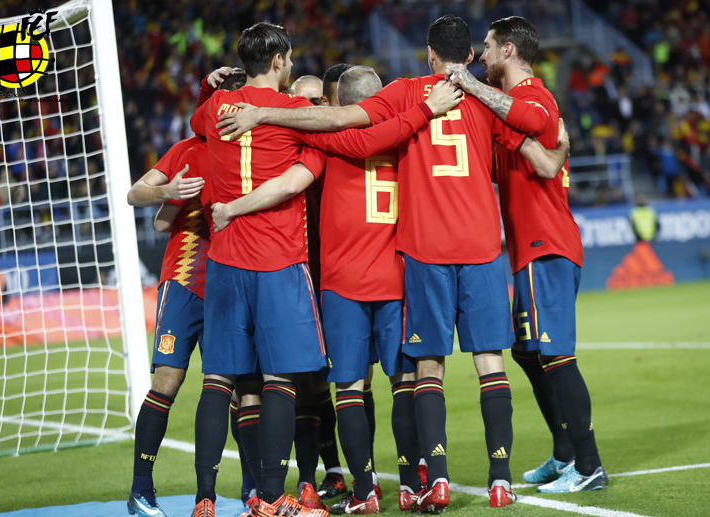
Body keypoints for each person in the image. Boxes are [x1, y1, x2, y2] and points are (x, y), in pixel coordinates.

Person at [216, 14, 567, 512]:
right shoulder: (485, 101)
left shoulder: (398, 101)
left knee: (409, 374)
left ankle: (407, 484)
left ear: (428, 54)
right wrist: (560, 140)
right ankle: (494, 479)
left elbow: (337, 122)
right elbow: (545, 150)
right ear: (469, 57)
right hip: (470, 254)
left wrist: (261, 113)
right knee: (488, 366)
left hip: (403, 262)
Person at [212, 66, 463, 515]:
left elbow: (320, 138)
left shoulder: (326, 142)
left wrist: (263, 116)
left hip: (342, 283)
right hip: (395, 278)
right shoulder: (405, 140)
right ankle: (412, 483)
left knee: (347, 389)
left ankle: (364, 492)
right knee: (402, 383)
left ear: (339, 103)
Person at [448, 16, 608, 493]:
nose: (482, 56)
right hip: (527, 250)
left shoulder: (532, 96)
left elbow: (536, 125)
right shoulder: (510, 111)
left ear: (510, 51)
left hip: (547, 244)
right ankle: (565, 453)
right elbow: (528, 161)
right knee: (526, 350)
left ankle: (589, 464)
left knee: (556, 355)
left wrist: (472, 89)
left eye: (489, 48)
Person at [189, 22, 330, 517]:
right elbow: (296, 180)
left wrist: (211, 86)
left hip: (224, 263)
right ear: (276, 61)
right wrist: (241, 206)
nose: (290, 67)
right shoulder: (297, 112)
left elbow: (195, 123)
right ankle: (271, 499)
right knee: (279, 381)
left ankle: (205, 499)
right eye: (288, 59)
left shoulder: (214, 109)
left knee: (218, 381)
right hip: (277, 260)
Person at [124, 68, 247, 517]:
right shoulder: (188, 150)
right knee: (167, 383)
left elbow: (161, 221)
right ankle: (141, 489)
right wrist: (169, 190)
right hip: (184, 281)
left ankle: (238, 492)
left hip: (233, 284)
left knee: (232, 389)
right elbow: (136, 192)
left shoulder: (254, 150)